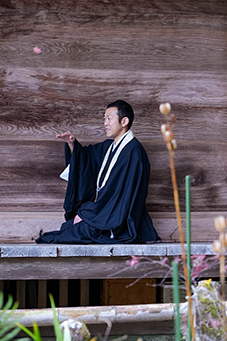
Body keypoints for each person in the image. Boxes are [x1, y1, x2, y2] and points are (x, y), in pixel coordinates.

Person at [37, 100, 159, 244]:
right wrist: (72, 144)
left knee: (72, 233)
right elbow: (86, 159)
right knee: (68, 227)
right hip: (105, 212)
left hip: (118, 219)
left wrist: (88, 214)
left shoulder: (133, 153)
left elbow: (118, 195)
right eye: (104, 119)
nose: (105, 123)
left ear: (124, 121)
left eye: (109, 118)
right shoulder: (110, 147)